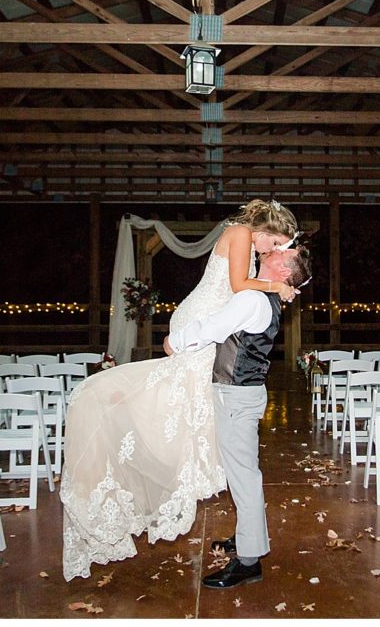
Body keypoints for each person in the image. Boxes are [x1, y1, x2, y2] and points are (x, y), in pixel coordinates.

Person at [61, 200, 299, 581]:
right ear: (264, 229)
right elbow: (238, 286)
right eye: (274, 243)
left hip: (212, 336)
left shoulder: (253, 251)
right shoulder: (240, 234)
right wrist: (277, 285)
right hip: (202, 328)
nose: (272, 251)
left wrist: (272, 284)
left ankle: (244, 537)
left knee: (207, 427)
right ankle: (153, 455)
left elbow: (242, 296)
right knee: (184, 417)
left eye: (277, 250)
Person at [164, 246, 313, 589]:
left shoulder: (253, 300)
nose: (273, 251)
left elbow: (213, 327)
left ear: (283, 274)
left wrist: (176, 342)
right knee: (243, 473)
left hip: (236, 396)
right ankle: (247, 537)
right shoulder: (262, 297)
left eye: (280, 255)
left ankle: (248, 560)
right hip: (242, 395)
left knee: (244, 477)